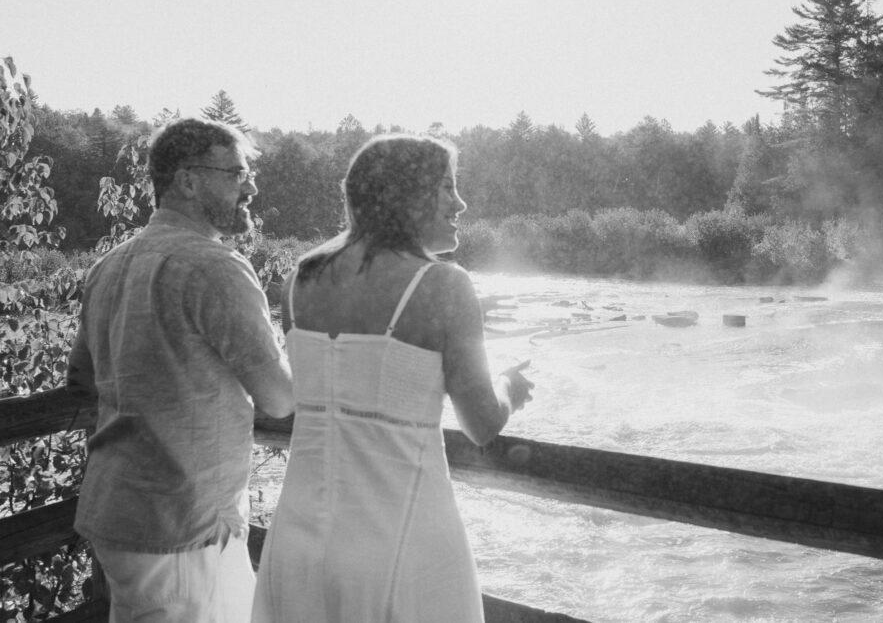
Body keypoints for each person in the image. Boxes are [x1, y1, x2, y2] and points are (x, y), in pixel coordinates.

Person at [252, 134, 533, 623]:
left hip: (298, 538)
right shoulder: (445, 284)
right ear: (408, 193)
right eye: (448, 187)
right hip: (403, 543)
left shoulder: (299, 280)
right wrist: (510, 386)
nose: (461, 203)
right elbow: (481, 423)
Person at [66, 118, 294, 623]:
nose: (251, 186)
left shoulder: (109, 264)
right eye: (236, 174)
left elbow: (79, 377)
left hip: (120, 509)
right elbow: (279, 399)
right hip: (183, 523)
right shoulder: (216, 268)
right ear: (188, 180)